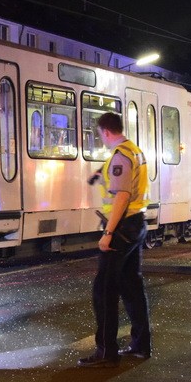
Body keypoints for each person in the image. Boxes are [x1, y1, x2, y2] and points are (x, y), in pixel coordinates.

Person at [79, 111, 153, 367]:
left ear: (106, 132)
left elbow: (121, 195)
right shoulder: (134, 151)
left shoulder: (120, 156)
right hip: (137, 223)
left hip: (122, 227)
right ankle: (141, 345)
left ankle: (106, 351)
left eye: (100, 135)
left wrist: (108, 233)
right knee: (131, 286)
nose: (101, 139)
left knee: (104, 290)